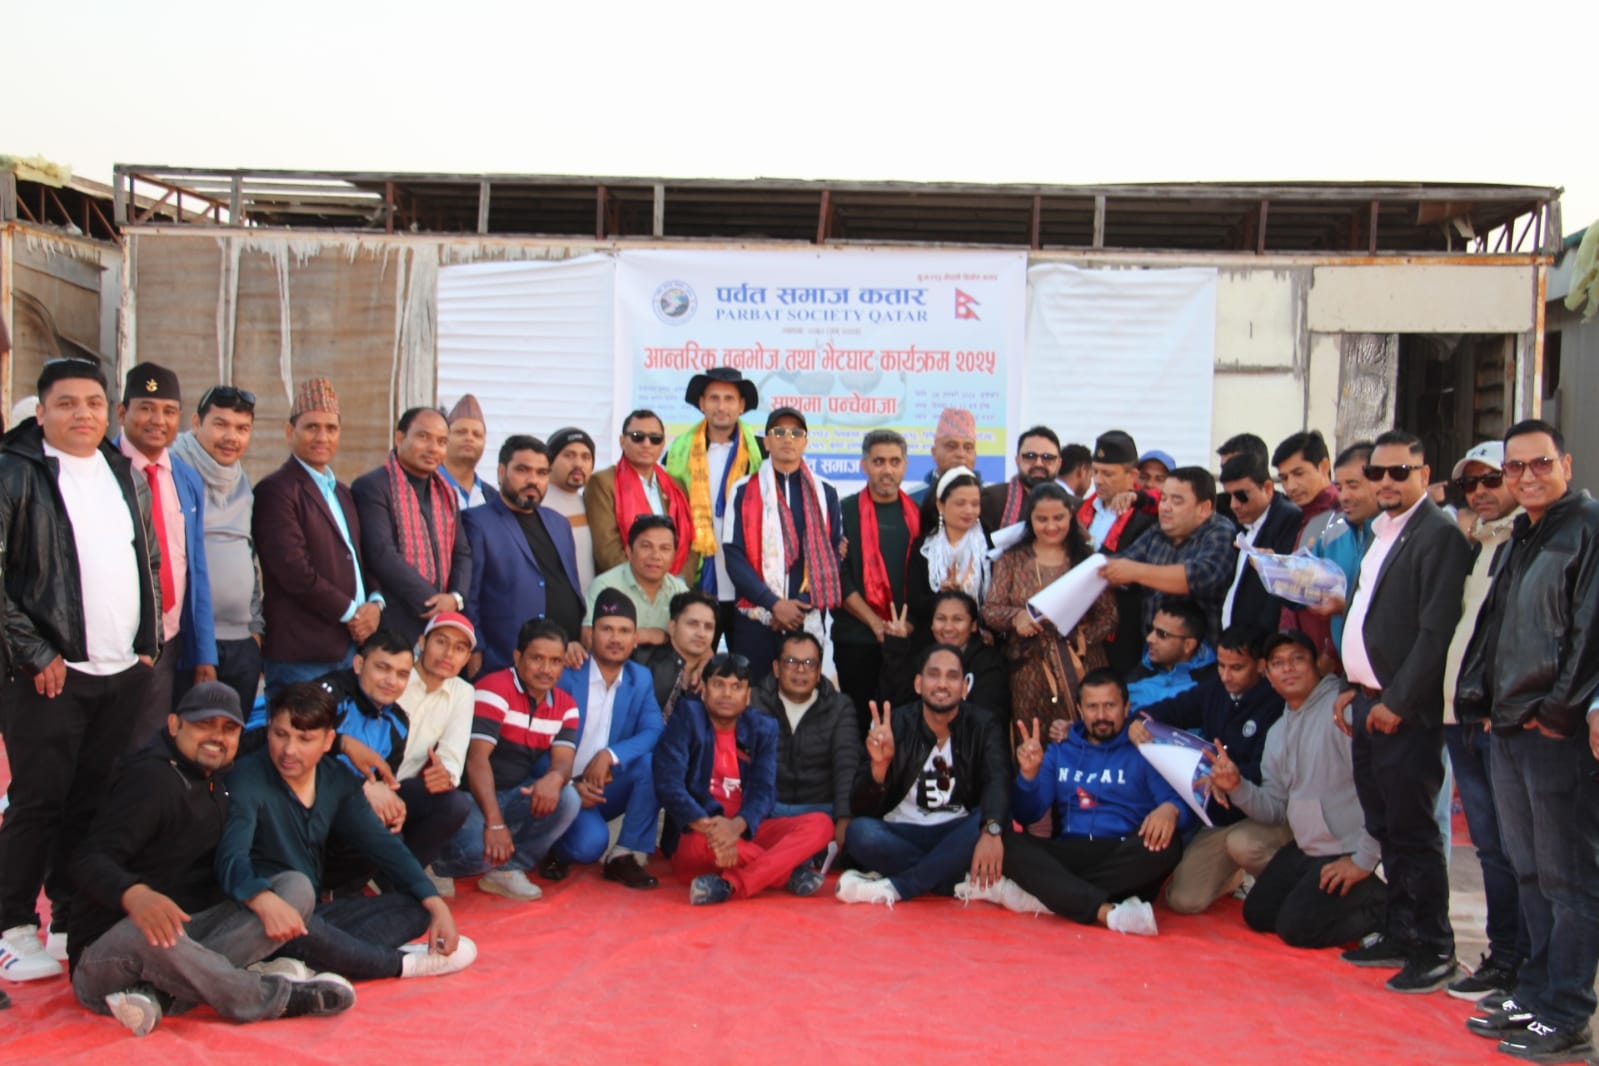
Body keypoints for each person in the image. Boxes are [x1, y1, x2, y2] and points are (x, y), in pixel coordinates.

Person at [67, 682, 354, 1035]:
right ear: (174, 725)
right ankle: (272, 998)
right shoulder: (150, 780)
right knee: (151, 931)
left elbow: (286, 735)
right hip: (110, 950)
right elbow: (87, 859)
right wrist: (135, 895)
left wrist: (345, 746)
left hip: (185, 933)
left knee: (294, 887)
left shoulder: (218, 772)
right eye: (204, 724)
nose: (217, 737)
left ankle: (164, 993)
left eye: (228, 728)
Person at [0, 358, 159, 983]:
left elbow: (145, 559)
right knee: (38, 800)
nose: (82, 414)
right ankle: (12, 926)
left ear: (109, 412)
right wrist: (34, 651)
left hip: (119, 670)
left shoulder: (122, 472)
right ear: (41, 412)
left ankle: (70, 917)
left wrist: (147, 643)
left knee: (91, 802)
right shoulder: (15, 472)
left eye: (93, 403)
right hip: (49, 672)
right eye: (66, 404)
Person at [1457, 420, 1599, 1062]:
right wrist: (1487, 703)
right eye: (1515, 467)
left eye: (1540, 463)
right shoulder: (1522, 533)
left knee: (1570, 878)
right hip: (1510, 724)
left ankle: (1567, 1012)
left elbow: (1589, 632)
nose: (1526, 476)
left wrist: (1558, 713)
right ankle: (1537, 992)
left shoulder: (1588, 527)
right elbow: (1497, 629)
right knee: (1531, 871)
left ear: (1565, 463)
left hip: (1552, 732)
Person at [215, 682, 475, 981]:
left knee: (416, 907)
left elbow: (384, 846)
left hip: (312, 915)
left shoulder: (336, 779)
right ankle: (399, 964)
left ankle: (314, 962)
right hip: (257, 914)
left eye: (305, 739)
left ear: (328, 741)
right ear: (268, 730)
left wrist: (436, 904)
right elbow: (231, 860)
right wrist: (263, 899)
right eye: (280, 734)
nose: (289, 750)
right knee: (304, 930)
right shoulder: (246, 778)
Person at [1335, 428, 1470, 994]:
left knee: (1415, 832)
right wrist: (1355, 685)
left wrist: (1396, 700)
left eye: (1399, 472)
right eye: (1377, 473)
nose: (1386, 482)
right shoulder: (1382, 532)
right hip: (1369, 702)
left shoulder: (1438, 535)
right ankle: (1399, 931)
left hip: (1404, 712)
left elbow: (1436, 632)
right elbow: (1370, 616)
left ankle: (1434, 947)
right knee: (1386, 826)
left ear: (1424, 474)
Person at [971, 669, 1191, 936]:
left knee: (1167, 845)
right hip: (1071, 849)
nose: (1101, 715)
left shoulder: (1144, 749)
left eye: (1110, 706)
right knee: (1006, 842)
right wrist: (1028, 777)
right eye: (1092, 707)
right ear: (1079, 710)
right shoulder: (1060, 750)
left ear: (1126, 708)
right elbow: (1027, 814)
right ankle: (1103, 910)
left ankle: (1047, 895)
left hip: (1122, 853)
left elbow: (1178, 806)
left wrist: (1170, 809)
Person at [1212, 631, 1385, 949]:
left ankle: (1389, 908)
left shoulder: (1342, 711)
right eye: (1278, 663)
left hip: (1349, 847)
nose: (1288, 669)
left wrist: (1364, 858)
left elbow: (1382, 789)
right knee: (1258, 914)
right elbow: (1276, 808)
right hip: (1308, 847)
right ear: (1267, 674)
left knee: (1297, 930)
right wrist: (1237, 787)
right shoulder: (1278, 731)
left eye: (1297, 659)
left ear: (1317, 664)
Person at [1436, 441, 1525, 1002]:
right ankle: (1504, 956)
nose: (1481, 491)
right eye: (1471, 483)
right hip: (1459, 715)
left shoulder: (1526, 543)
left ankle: (1519, 965)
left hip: (1498, 720)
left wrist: (1503, 703)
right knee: (1491, 850)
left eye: (1492, 479)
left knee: (1517, 853)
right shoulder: (1482, 544)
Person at [1126, 626, 1290, 915]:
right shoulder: (1215, 689)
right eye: (1221, 666)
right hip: (1218, 816)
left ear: (1261, 666)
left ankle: (1284, 880)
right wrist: (1137, 722)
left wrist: (1232, 779)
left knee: (1243, 844)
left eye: (1236, 668)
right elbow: (1168, 709)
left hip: (1265, 814)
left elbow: (1273, 771)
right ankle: (1234, 873)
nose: (1226, 676)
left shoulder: (1279, 703)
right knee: (1183, 900)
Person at [653, 653, 834, 905]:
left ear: (748, 695)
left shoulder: (762, 727)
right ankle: (785, 873)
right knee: (700, 842)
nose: (727, 694)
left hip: (744, 831)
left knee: (821, 824)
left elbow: (764, 790)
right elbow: (668, 783)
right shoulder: (687, 717)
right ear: (704, 690)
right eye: (719, 685)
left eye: (737, 687)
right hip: (700, 832)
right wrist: (711, 828)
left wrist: (736, 827)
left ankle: (731, 884)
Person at [837, 644, 1010, 907]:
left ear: (965, 687)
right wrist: (879, 768)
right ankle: (954, 880)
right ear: (918, 684)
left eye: (952, 676)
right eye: (934, 674)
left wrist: (991, 831)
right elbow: (860, 807)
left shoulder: (984, 725)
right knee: (860, 833)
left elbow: (998, 781)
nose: (942, 684)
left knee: (994, 818)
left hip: (958, 831)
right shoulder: (896, 724)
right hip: (903, 832)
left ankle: (898, 886)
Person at [431, 620, 583, 902]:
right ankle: (433, 864)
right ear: (517, 657)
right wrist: (495, 824)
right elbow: (477, 759)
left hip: (512, 793)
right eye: (537, 658)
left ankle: (507, 869)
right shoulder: (494, 688)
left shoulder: (566, 706)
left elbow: (563, 761)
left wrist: (554, 778)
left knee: (568, 798)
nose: (546, 669)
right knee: (478, 850)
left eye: (555, 661)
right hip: (466, 796)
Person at [253, 377, 383, 702]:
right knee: (298, 732)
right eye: (312, 427)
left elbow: (360, 558)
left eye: (331, 428)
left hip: (349, 646)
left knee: (339, 732)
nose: (322, 437)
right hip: (302, 652)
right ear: (289, 432)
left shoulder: (343, 492)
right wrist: (353, 612)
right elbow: (294, 571)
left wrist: (375, 605)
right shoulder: (277, 490)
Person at [317, 629, 474, 892]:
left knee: (391, 818)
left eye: (402, 674)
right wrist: (358, 779)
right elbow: (294, 751)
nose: (391, 681)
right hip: (302, 803)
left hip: (348, 802)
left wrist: (392, 805)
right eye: (382, 668)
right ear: (359, 664)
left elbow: (384, 782)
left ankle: (373, 886)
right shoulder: (330, 694)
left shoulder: (398, 720)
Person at [115, 362, 218, 748]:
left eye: (169, 411)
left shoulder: (185, 478)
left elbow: (196, 568)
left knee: (151, 744)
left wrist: (204, 652)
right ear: (122, 412)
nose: (158, 420)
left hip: (169, 638)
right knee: (106, 747)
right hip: (116, 641)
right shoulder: (103, 470)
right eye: (146, 408)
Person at [548, 589, 664, 889]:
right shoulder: (566, 674)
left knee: (651, 764)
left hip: (605, 785)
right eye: (607, 629)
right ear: (590, 634)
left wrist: (610, 755)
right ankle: (550, 846)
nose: (615, 638)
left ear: (635, 638)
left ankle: (624, 855)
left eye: (624, 631)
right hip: (560, 787)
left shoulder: (640, 678)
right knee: (588, 846)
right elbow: (538, 743)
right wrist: (568, 787)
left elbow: (653, 730)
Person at [983, 482, 1117, 733]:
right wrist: (1017, 617)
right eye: (1042, 519)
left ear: (1071, 516)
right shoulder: (1012, 558)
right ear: (1030, 520)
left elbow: (1109, 615)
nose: (1051, 526)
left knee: (1081, 737)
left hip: (1080, 665)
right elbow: (990, 609)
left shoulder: (1086, 559)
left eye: (1058, 518)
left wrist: (1079, 640)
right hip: (1029, 668)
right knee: (1032, 737)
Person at [724, 407, 845, 679]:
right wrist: (774, 604)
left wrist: (799, 605)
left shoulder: (826, 492)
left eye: (796, 433)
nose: (787, 438)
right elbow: (733, 555)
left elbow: (835, 553)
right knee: (755, 696)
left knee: (802, 695)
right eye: (779, 432)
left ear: (805, 442)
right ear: (767, 442)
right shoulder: (743, 490)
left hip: (806, 615)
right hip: (756, 617)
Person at [171, 384, 266, 716]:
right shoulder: (172, 472)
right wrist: (199, 647)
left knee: (232, 735)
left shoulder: (242, 483)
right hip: (190, 640)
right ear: (196, 423)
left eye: (242, 429)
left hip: (241, 641)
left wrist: (255, 630)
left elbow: (248, 557)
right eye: (221, 424)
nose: (231, 437)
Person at [461, 435, 585, 676]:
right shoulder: (477, 521)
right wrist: (476, 647)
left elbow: (568, 584)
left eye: (541, 473)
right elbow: (470, 593)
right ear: (501, 472)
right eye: (522, 470)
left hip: (564, 661)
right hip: (503, 660)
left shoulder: (559, 523)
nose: (533, 480)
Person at [351, 406, 472, 646]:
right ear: (399, 438)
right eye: (423, 437)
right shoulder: (373, 486)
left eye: (441, 441)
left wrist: (454, 599)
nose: (433, 448)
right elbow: (381, 553)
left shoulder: (447, 492)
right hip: (394, 620)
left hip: (440, 622)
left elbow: (462, 553)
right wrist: (433, 602)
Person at [663, 367, 763, 639]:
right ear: (702, 403)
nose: (721, 407)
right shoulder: (677, 452)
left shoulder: (762, 452)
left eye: (729, 399)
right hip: (697, 576)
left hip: (748, 579)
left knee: (747, 661)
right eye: (714, 398)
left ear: (741, 405)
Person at [835, 429, 920, 725]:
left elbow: (924, 580)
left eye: (895, 462)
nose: (887, 470)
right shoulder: (842, 512)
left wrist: (908, 626)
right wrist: (875, 623)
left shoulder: (919, 514)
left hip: (907, 640)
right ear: (864, 465)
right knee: (857, 725)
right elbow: (837, 576)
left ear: (905, 465)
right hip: (856, 640)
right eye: (879, 461)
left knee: (903, 726)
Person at [748, 630, 860, 854]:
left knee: (857, 832)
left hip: (819, 811)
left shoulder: (840, 706)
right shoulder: (753, 701)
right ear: (776, 668)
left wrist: (844, 818)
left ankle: (785, 857)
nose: (800, 670)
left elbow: (846, 766)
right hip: (767, 808)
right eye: (791, 661)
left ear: (819, 672)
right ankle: (796, 859)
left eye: (810, 663)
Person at [1100, 466, 1237, 648]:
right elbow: (1121, 563)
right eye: (1163, 499)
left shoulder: (1220, 531)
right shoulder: (1159, 530)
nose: (1165, 507)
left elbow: (1201, 576)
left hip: (1200, 654)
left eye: (1177, 501)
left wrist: (1136, 572)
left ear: (1204, 508)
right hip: (1152, 649)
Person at [395, 612, 479, 897]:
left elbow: (453, 755)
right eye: (441, 642)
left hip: (403, 787)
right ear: (422, 642)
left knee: (455, 804)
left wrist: (445, 775)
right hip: (366, 785)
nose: (448, 654)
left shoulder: (462, 692)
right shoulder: (397, 675)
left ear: (466, 659)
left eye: (459, 648)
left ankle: (402, 875)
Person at [1078, 430, 1160, 674]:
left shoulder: (1147, 516)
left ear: (1132, 475)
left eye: (1108, 473)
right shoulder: (1083, 510)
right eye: (1095, 472)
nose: (1098, 480)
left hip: (1124, 628)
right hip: (1082, 620)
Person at [1291, 440, 1377, 669]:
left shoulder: (1393, 537)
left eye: (1353, 486)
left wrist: (1344, 607)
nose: (1344, 496)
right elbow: (1303, 581)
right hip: (1346, 669)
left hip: (1387, 674)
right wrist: (1270, 565)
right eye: (1339, 487)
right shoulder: (1333, 533)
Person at [585, 409, 694, 578]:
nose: (647, 444)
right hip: (625, 585)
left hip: (675, 586)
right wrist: (646, 584)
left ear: (663, 444)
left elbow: (689, 541)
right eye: (637, 436)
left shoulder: (676, 485)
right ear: (622, 441)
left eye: (655, 438)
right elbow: (607, 549)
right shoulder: (603, 483)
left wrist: (678, 582)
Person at [905, 466, 992, 649]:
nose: (969, 510)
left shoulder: (990, 545)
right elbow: (914, 602)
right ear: (940, 505)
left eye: (975, 504)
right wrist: (942, 596)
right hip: (931, 645)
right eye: (960, 503)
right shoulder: (924, 548)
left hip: (981, 645)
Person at [1218, 451, 1302, 634]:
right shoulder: (1242, 522)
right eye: (1228, 496)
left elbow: (1279, 595)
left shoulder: (1287, 519)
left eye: (1241, 496)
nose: (1234, 505)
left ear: (1268, 488)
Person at [584, 515, 689, 649]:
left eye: (664, 548)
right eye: (646, 546)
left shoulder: (680, 591)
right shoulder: (605, 585)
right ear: (629, 551)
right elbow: (588, 639)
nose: (655, 556)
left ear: (674, 555)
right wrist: (647, 635)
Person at [634, 590, 718, 724]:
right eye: (693, 624)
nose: (701, 633)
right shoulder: (641, 661)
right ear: (672, 627)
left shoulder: (718, 674)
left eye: (708, 627)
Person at [1125, 601, 1218, 710]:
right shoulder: (1134, 678)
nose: (1149, 639)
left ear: (1188, 645)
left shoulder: (1212, 687)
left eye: (1162, 634)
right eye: (1150, 629)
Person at [542, 427, 598, 594]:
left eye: (586, 457)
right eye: (569, 455)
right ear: (549, 461)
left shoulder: (591, 505)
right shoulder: (536, 506)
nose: (578, 464)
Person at [981, 424, 1063, 531]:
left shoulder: (1072, 506)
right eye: (1030, 456)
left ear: (1059, 463)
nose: (1038, 463)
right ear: (1017, 460)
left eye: (1047, 457)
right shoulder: (991, 500)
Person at [1273, 430, 1339, 551]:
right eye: (1284, 478)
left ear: (1324, 467)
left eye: (1299, 474)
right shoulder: (1293, 517)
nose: (1291, 486)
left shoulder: (1343, 512)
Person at [909, 406, 978, 503]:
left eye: (968, 448)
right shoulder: (913, 500)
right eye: (951, 446)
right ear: (934, 453)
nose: (961, 454)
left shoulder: (988, 499)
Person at [439, 394, 488, 510]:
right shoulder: (426, 487)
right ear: (444, 438)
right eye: (461, 432)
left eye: (477, 435)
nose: (469, 438)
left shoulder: (491, 497)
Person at [1059, 443, 1093, 508]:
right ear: (1082, 470)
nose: (1090, 484)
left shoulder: (1040, 492)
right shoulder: (1079, 506)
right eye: (1090, 476)